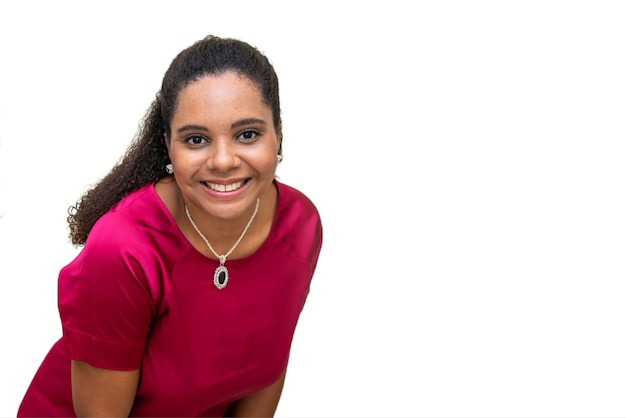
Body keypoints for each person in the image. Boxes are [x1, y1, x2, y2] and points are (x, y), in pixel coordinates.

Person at [17, 35, 323, 417]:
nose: (224, 160)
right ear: (169, 146)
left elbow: (266, 372)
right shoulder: (124, 251)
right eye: (197, 139)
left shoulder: (300, 225)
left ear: (278, 132)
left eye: (248, 134)